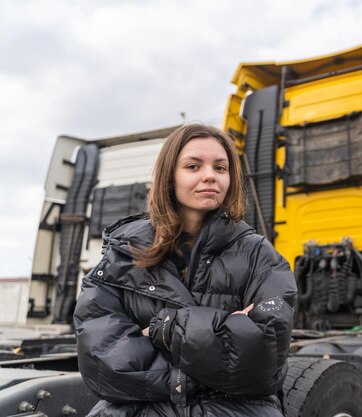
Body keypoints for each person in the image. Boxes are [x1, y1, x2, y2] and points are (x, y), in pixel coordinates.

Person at [74, 124, 297, 417]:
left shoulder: (259, 253)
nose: (210, 175)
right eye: (193, 166)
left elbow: (262, 357)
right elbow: (103, 362)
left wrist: (163, 328)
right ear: (170, 176)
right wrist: (220, 335)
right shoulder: (122, 252)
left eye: (220, 167)